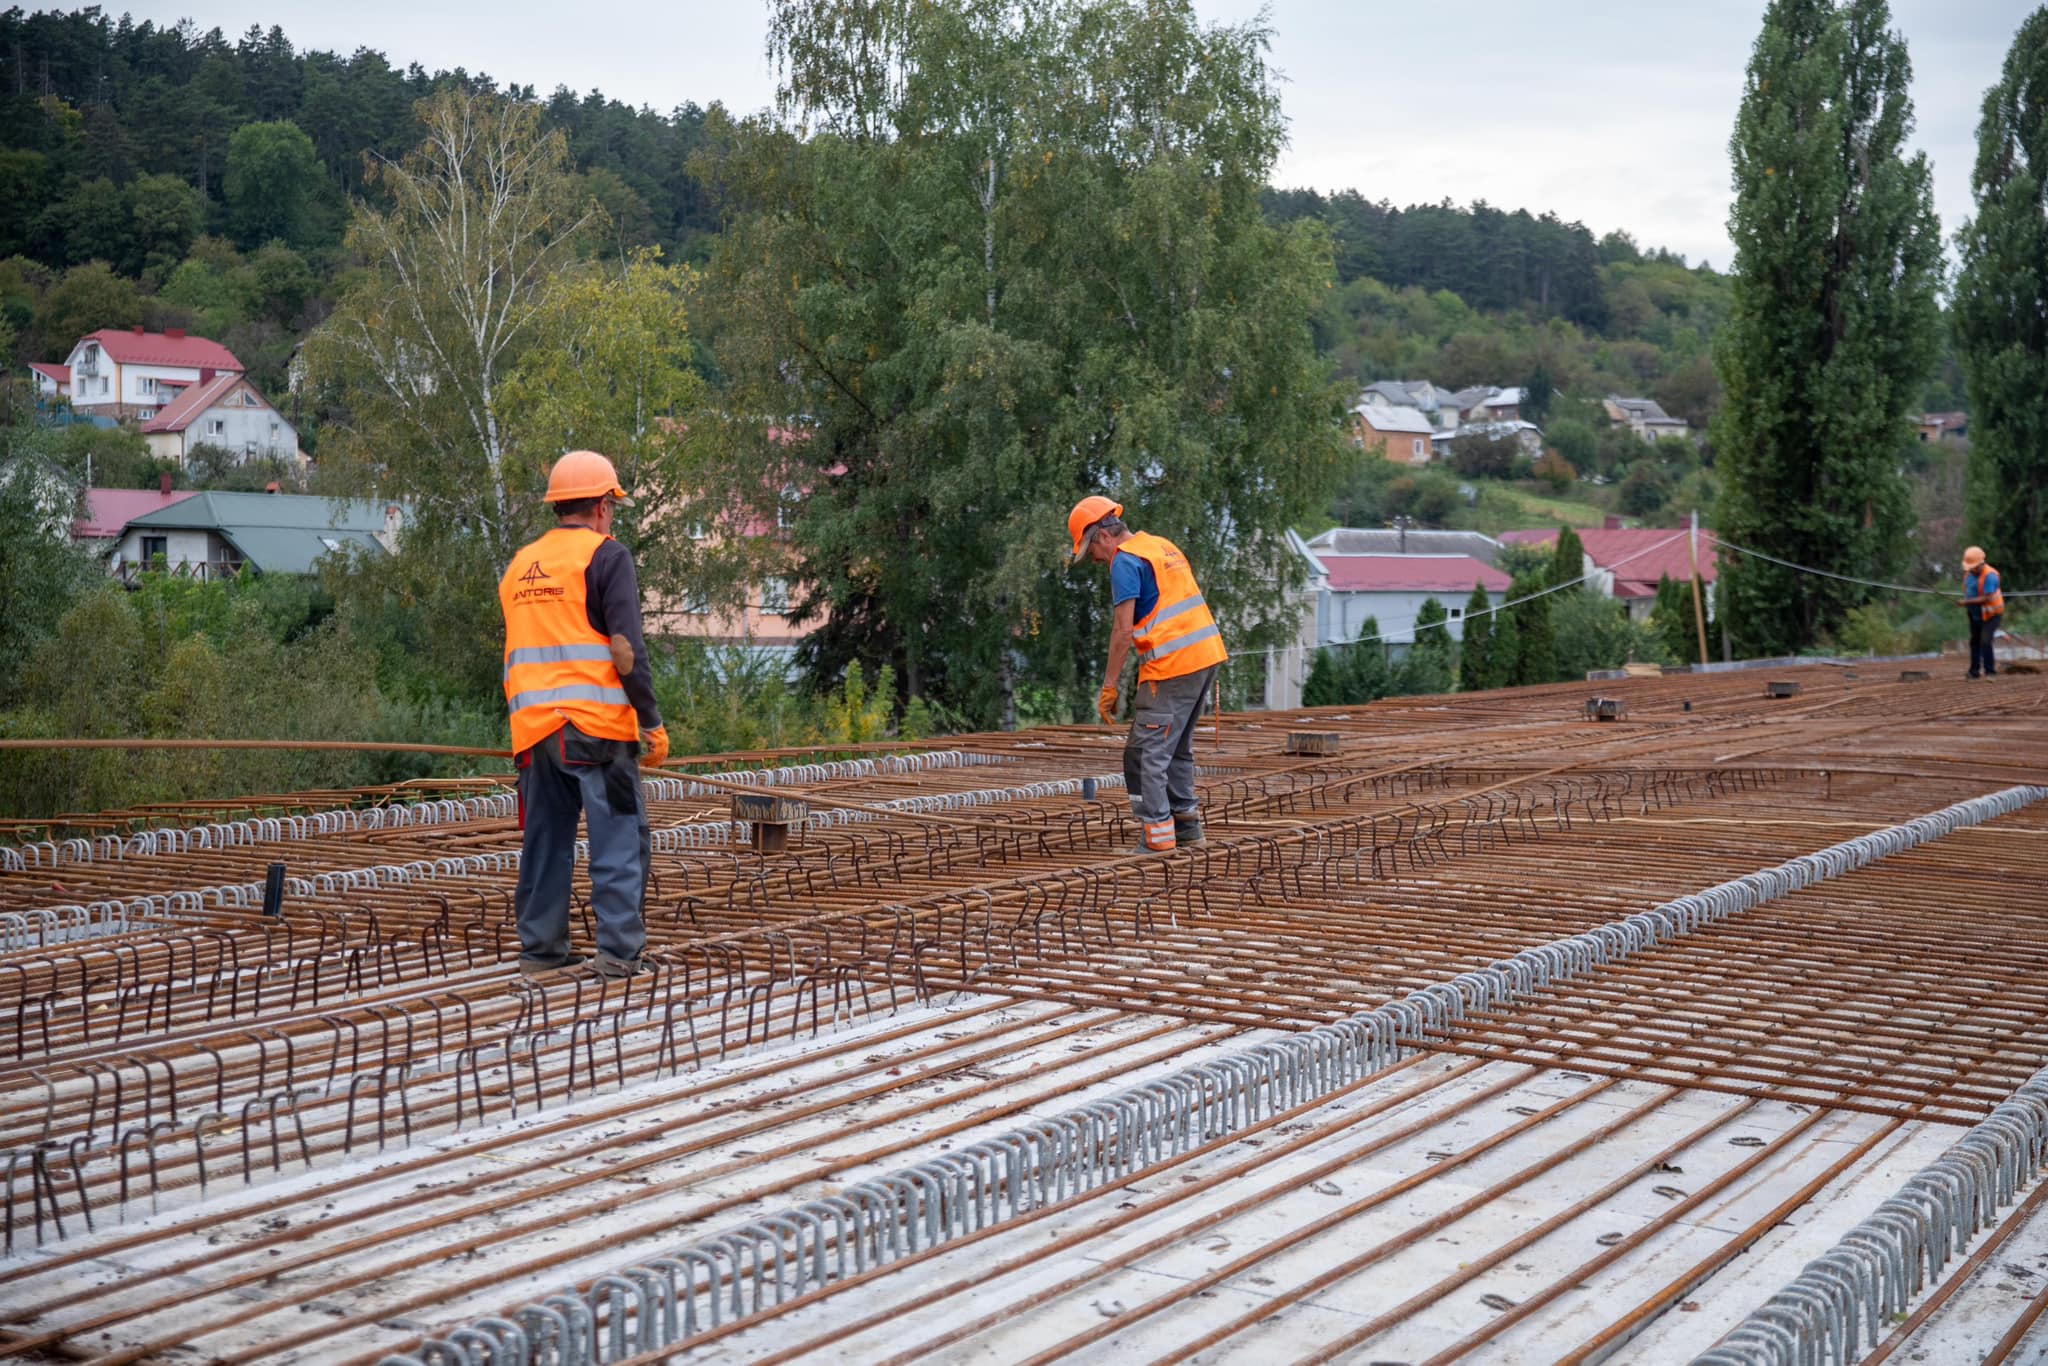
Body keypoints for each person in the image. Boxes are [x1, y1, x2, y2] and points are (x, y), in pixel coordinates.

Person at [499, 450, 670, 977]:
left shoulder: (522, 564)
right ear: (600, 505)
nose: (611, 516)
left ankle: (541, 953)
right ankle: (619, 955)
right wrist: (651, 719)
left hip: (533, 732)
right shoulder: (606, 556)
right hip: (595, 731)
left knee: (545, 843)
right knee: (619, 838)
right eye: (612, 506)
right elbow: (625, 650)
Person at [1069, 496, 1228, 853]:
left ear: (1103, 537)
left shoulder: (1125, 560)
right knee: (1175, 749)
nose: (1094, 560)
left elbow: (1123, 632)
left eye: (1091, 551)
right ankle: (1187, 827)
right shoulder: (1160, 546)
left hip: (1173, 666)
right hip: (1205, 657)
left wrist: (1109, 686)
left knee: (1144, 753)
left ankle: (1157, 837)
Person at [1960, 545, 2003, 680]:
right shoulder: (1969, 574)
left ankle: (1990, 672)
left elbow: (1987, 598)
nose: (1970, 569)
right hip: (1975, 614)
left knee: (1985, 641)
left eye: (1972, 567)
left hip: (1991, 615)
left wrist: (1966, 603)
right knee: (1975, 641)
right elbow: (1969, 589)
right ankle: (1974, 672)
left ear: (1980, 564)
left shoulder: (1990, 576)